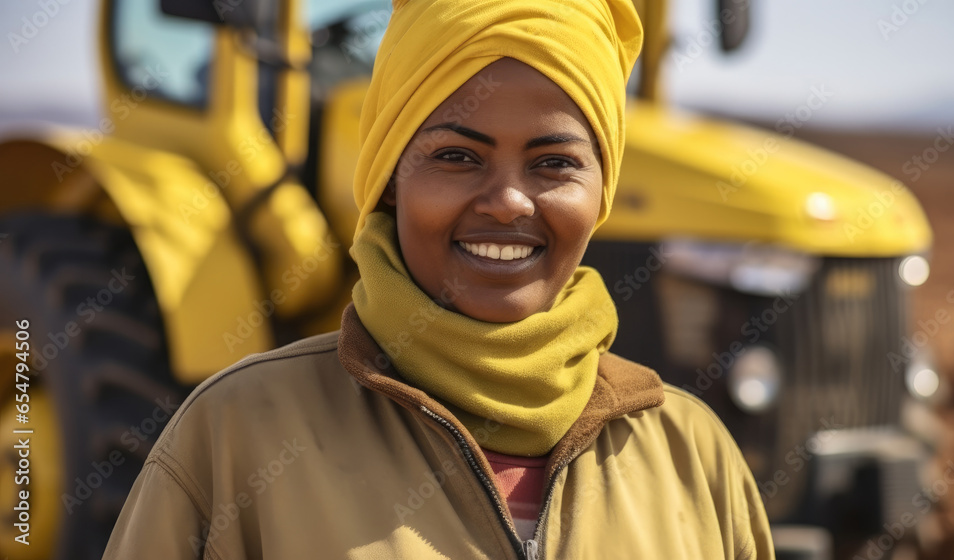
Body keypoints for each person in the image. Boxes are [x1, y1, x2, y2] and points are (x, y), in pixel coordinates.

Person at [104, 0, 775, 558]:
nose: (508, 202)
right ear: (390, 179)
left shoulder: (695, 455)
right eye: (456, 155)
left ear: (603, 189)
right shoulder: (231, 438)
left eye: (554, 163)